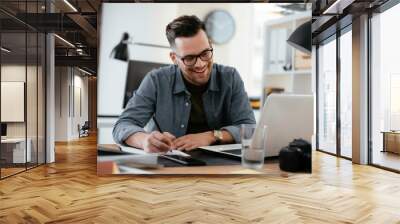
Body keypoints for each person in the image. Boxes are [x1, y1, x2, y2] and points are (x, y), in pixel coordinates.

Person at [113, 15, 255, 153]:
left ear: (210, 46)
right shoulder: (156, 80)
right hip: (168, 163)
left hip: (221, 166)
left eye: (205, 53)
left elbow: (250, 128)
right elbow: (122, 125)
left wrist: (211, 136)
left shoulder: (230, 77)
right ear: (174, 58)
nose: (200, 64)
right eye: (189, 58)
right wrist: (144, 140)